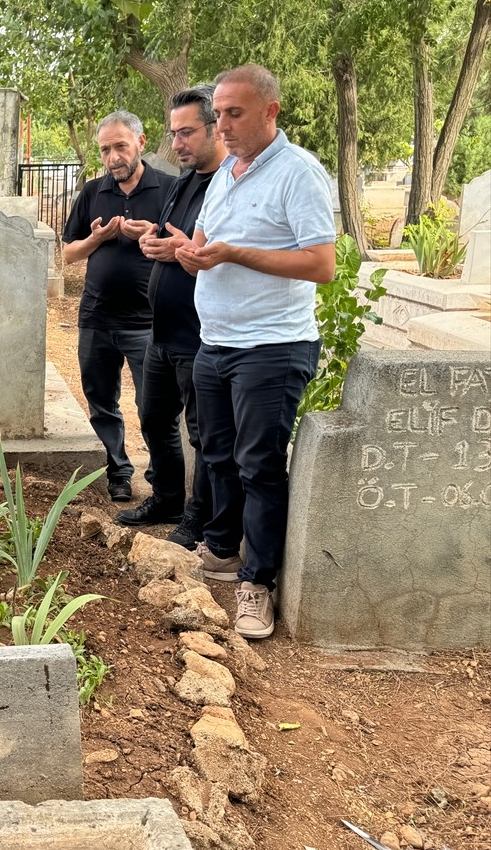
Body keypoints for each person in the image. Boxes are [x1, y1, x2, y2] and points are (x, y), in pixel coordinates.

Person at [172, 64, 335, 640]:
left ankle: (256, 582)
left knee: (259, 465)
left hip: (272, 345)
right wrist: (180, 252)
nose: (222, 125)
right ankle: (220, 550)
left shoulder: (298, 174)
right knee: (215, 451)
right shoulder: (228, 174)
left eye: (234, 113)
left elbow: (322, 265)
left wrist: (235, 255)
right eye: (218, 114)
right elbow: (208, 243)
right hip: (216, 341)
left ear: (271, 111)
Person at [117, 85, 226, 548]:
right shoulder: (185, 181)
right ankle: (166, 498)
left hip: (199, 334)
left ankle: (198, 518)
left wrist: (183, 249)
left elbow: (215, 253)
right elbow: (176, 241)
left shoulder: (228, 185)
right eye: (173, 133)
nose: (177, 143)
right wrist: (152, 239)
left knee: (203, 434)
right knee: (154, 417)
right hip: (160, 332)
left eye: (186, 133)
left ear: (216, 127)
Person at [62, 111, 173, 502]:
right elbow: (68, 253)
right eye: (105, 149)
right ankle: (118, 471)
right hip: (97, 317)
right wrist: (98, 238)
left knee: (154, 406)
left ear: (141, 143)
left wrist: (155, 234)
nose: (113, 157)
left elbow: (190, 242)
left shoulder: (170, 189)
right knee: (101, 400)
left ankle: (162, 479)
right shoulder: (93, 192)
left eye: (120, 146)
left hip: (149, 322)